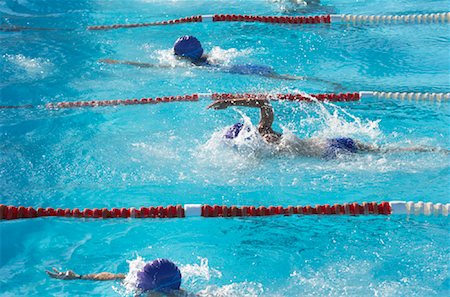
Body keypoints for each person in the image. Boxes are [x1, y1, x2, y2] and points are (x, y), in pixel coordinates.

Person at [207, 98, 448, 159]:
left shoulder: (263, 145)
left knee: (386, 155)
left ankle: (431, 152)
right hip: (333, 140)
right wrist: (230, 102)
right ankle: (431, 150)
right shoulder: (265, 128)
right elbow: (265, 103)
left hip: (331, 154)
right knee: (385, 151)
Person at [99, 35, 342, 88]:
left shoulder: (200, 66)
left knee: (287, 79)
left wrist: (123, 63)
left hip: (249, 73)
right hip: (252, 69)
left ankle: (325, 82)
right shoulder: (212, 56)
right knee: (285, 76)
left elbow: (155, 66)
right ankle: (325, 81)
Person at [46, 258, 185, 296]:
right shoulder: (136, 282)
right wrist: (79, 277)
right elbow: (112, 276)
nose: (139, 286)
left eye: (145, 287)